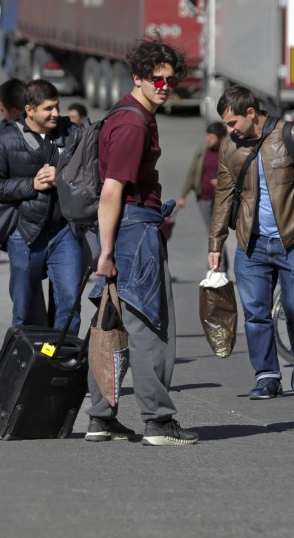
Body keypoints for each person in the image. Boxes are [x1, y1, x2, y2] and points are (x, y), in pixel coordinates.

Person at [84, 39, 198, 446]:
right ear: (138, 77)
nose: (166, 86)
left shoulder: (130, 114)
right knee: (151, 328)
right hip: (132, 231)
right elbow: (112, 190)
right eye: (157, 79)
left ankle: (101, 418)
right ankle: (158, 422)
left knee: (110, 325)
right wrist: (108, 252)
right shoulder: (133, 123)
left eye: (171, 79)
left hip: (125, 230)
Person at [208, 85, 294, 399]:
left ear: (251, 113)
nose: (229, 130)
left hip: (293, 240)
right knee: (255, 313)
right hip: (251, 244)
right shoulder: (230, 147)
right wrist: (215, 243)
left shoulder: (291, 135)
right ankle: (267, 376)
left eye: (233, 122)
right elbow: (223, 195)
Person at [0, 79, 82, 331]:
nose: (56, 114)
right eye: (48, 109)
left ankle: (59, 360)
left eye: (57, 107)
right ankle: (25, 364)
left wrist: (61, 178)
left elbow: (91, 174)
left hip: (64, 232)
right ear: (29, 110)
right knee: (23, 311)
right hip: (25, 234)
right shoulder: (4, 139)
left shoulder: (73, 134)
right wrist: (31, 185)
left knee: (69, 302)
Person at [177, 122, 228, 268]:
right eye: (207, 136)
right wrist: (183, 195)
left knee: (217, 234)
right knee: (214, 233)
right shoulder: (202, 150)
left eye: (211, 136)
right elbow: (192, 172)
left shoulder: (228, 151)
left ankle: (218, 268)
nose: (208, 139)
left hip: (222, 201)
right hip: (204, 199)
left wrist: (222, 183)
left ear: (220, 138)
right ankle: (220, 268)